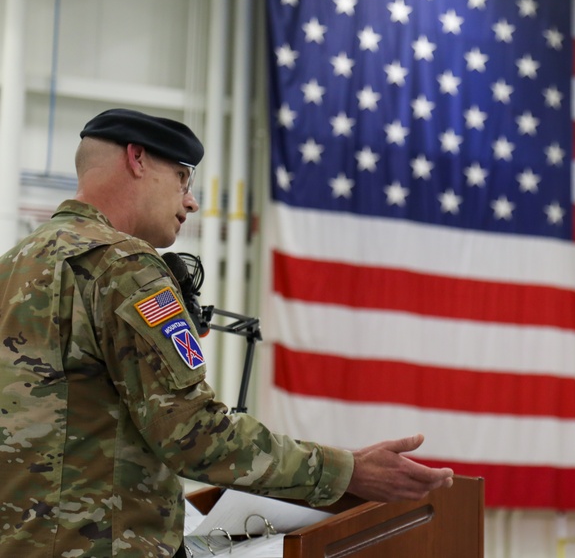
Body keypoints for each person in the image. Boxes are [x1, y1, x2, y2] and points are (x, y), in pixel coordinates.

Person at [0, 108, 454, 557]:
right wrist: (347, 471)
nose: (191, 201)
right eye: (182, 177)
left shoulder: (12, 267)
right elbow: (195, 435)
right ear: (137, 159)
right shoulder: (123, 265)